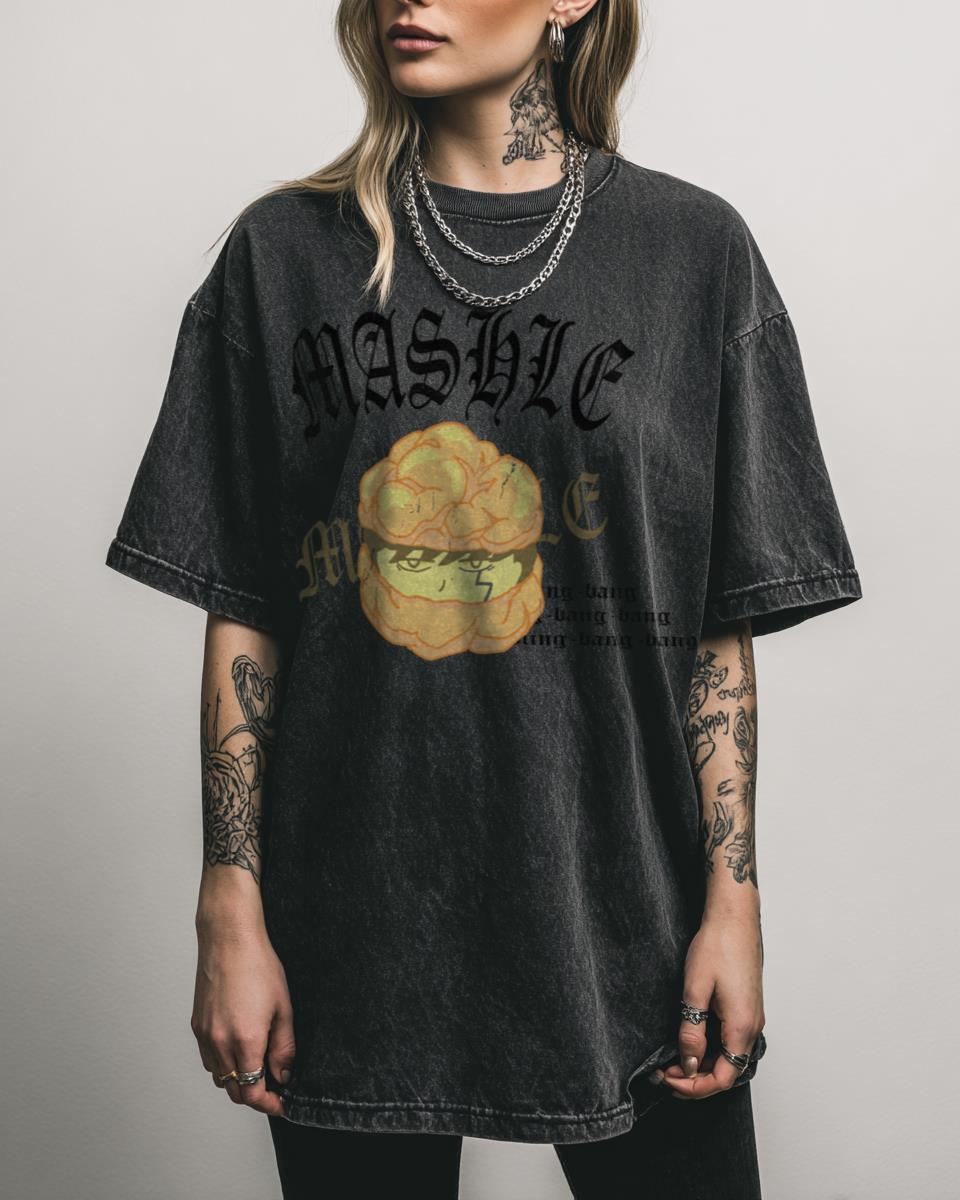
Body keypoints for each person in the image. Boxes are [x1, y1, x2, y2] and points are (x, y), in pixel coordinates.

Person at [104, 0, 863, 1196]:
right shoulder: (284, 254)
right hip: (350, 927)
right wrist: (229, 904)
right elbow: (245, 605)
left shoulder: (693, 254)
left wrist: (735, 901)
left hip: (628, 918)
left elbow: (714, 630)